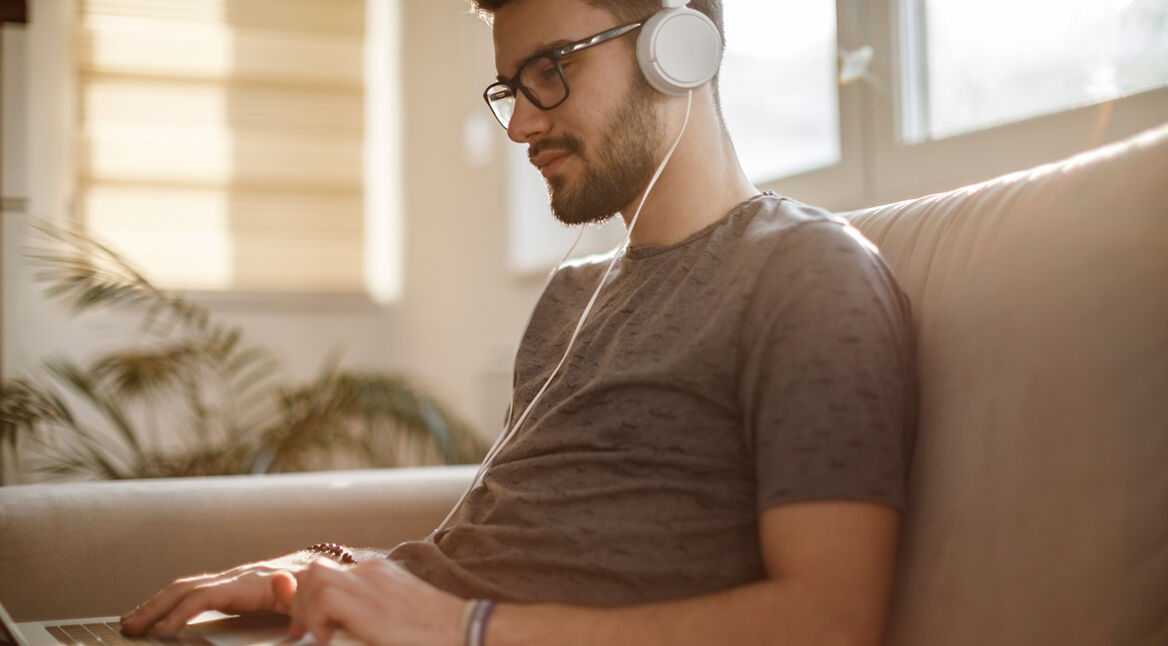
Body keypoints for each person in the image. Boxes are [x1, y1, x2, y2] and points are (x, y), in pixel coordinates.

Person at [120, 0, 917, 644]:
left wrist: (462, 628)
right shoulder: (572, 298)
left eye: (551, 70)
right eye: (511, 86)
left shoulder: (809, 272)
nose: (521, 125)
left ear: (680, 47)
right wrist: (329, 572)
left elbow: (830, 621)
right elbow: (497, 563)